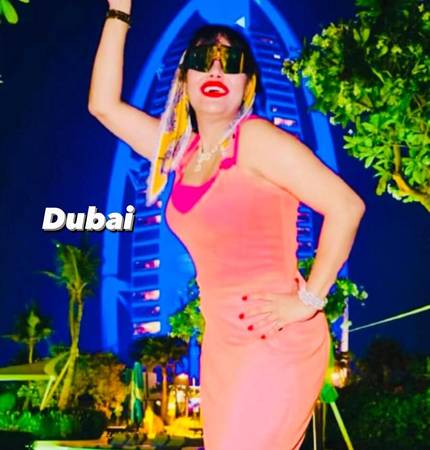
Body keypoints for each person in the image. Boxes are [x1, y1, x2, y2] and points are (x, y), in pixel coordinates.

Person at [88, 2, 366, 449]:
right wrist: (119, 12)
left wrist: (308, 300)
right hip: (222, 344)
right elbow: (103, 106)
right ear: (185, 80)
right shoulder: (179, 154)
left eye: (231, 61)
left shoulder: (255, 140)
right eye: (203, 59)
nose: (216, 70)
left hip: (274, 337)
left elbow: (346, 206)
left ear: (247, 84)